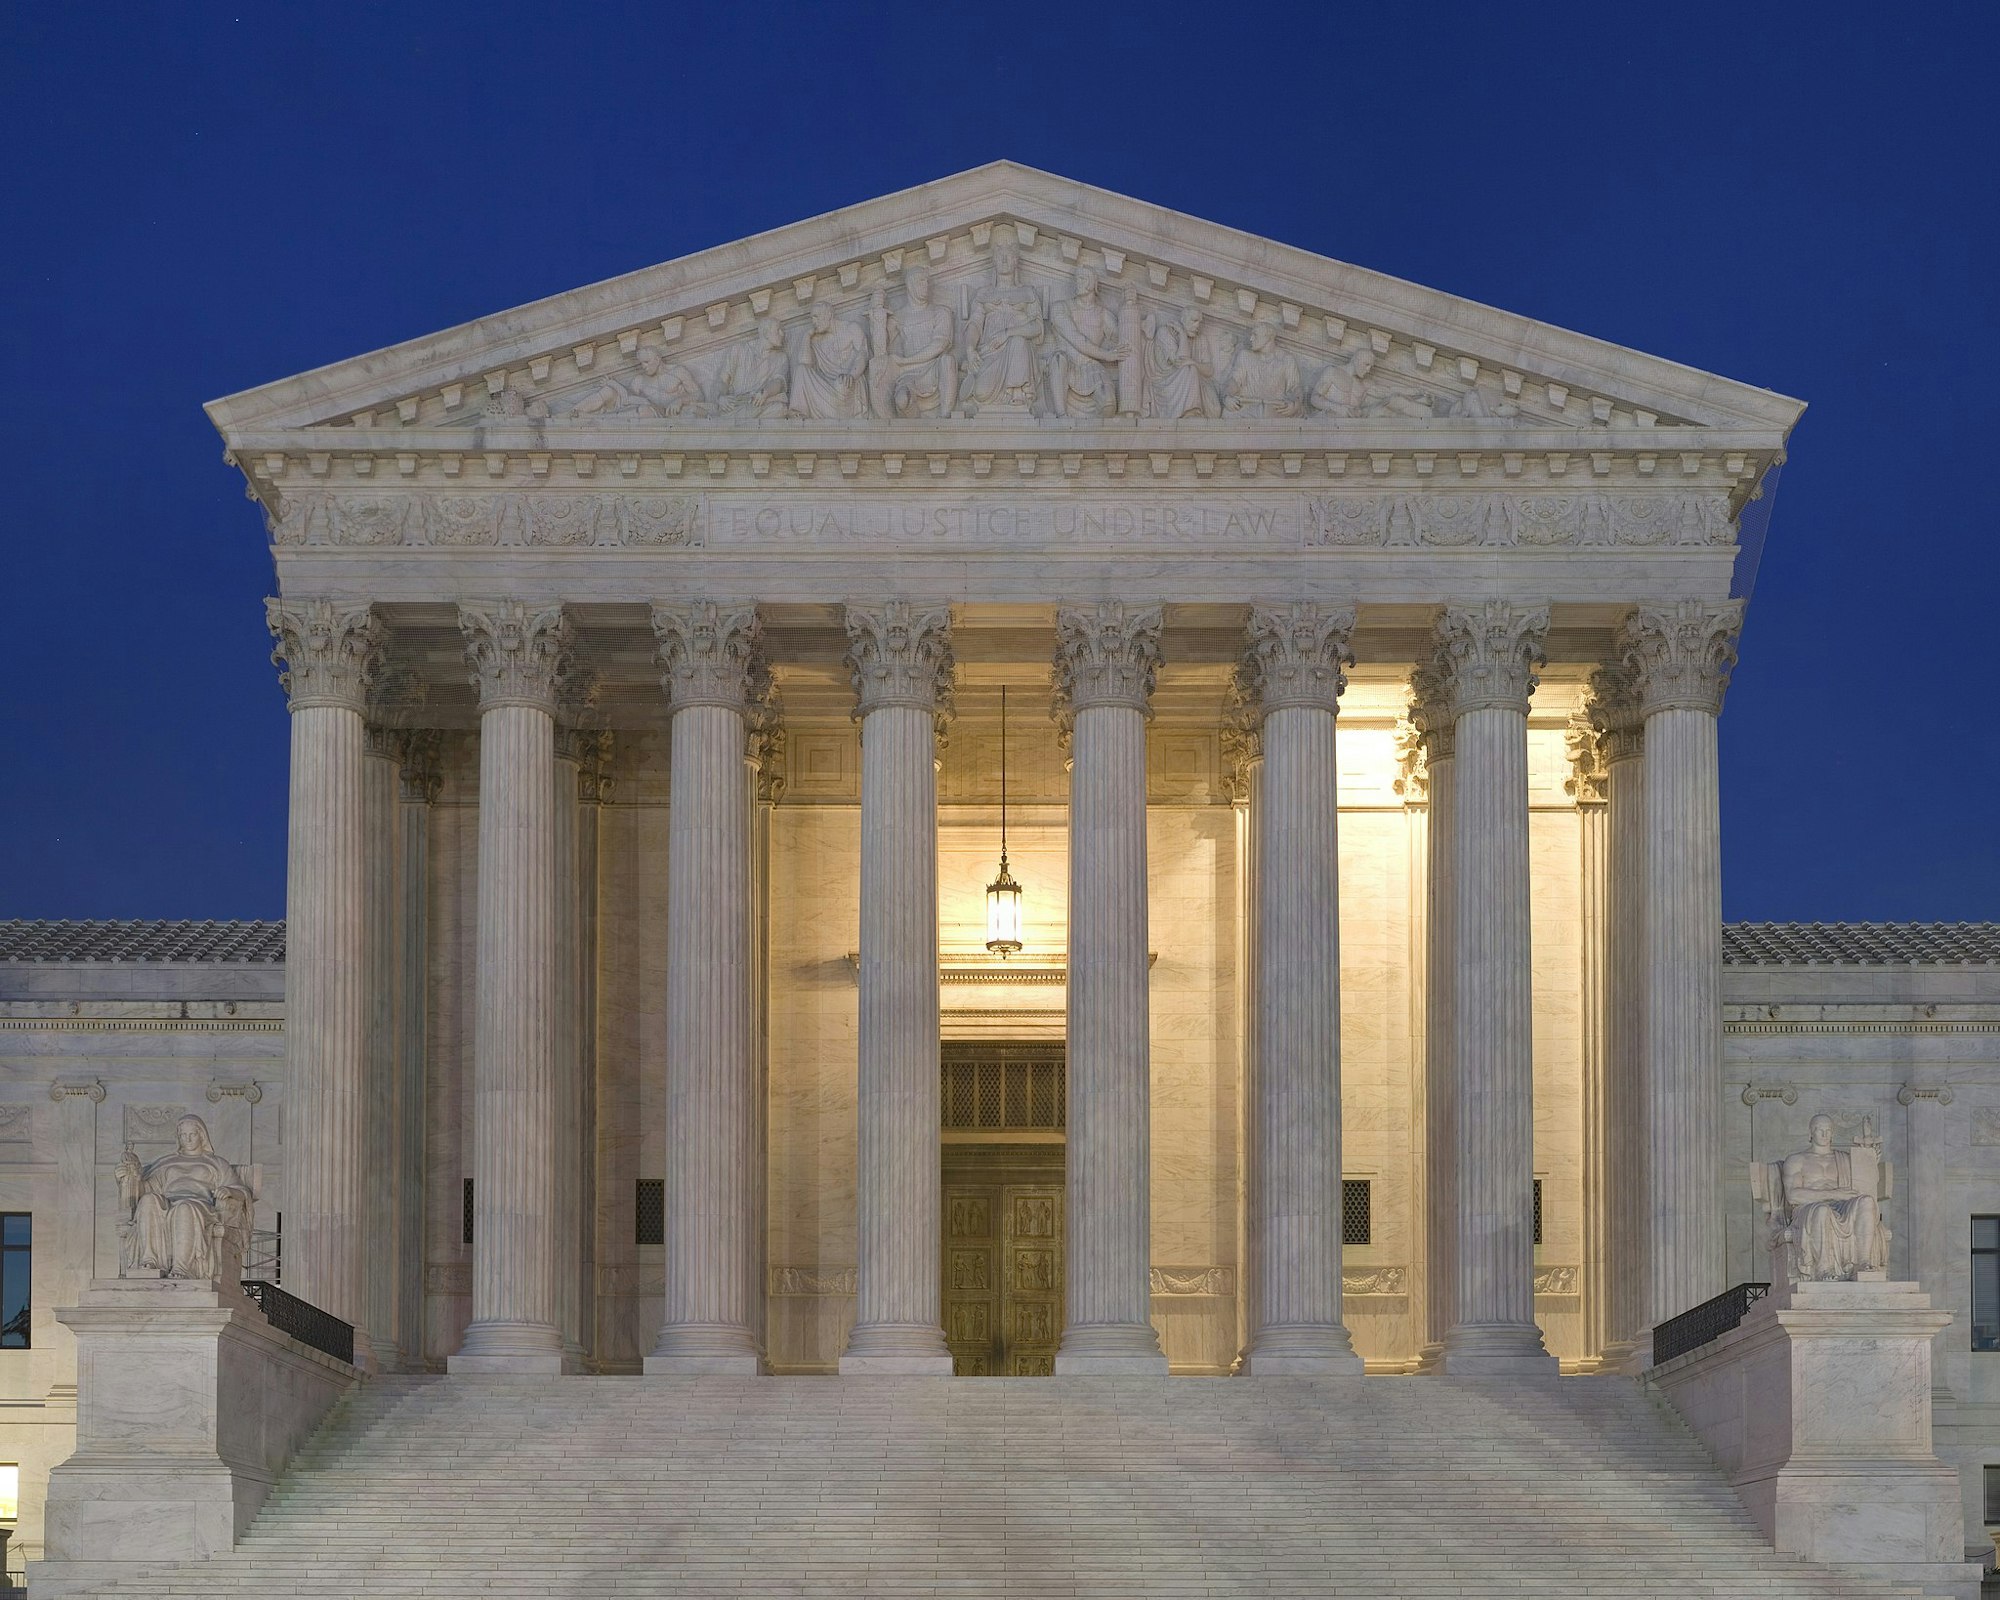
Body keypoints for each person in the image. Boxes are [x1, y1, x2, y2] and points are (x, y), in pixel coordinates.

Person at [118, 1115, 254, 1281]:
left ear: (201, 1135)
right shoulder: (165, 1162)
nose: (187, 1139)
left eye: (192, 1134)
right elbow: (144, 1190)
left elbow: (241, 1190)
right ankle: (149, 1261)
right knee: (148, 1201)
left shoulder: (216, 1163)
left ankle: (182, 1268)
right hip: (168, 1202)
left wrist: (229, 1191)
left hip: (200, 1206)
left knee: (184, 1208)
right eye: (183, 1135)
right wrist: (130, 1176)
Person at [1780, 1114, 1888, 1281]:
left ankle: (1863, 1263)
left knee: (1867, 1202)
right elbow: (1793, 1196)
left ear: (1832, 1133)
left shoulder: (1845, 1159)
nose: (1824, 1134)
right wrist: (1833, 1193)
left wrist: (1869, 1159)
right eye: (1819, 1130)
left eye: (1828, 1130)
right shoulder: (1796, 1160)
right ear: (1810, 1133)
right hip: (1808, 1209)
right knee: (1822, 1210)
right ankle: (1824, 1269)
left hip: (1842, 1205)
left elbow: (1866, 1183)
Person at [961, 231, 1045, 413]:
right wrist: (970, 349)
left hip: (1019, 353)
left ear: (1016, 261)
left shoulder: (1028, 293)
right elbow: (975, 325)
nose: (1004, 260)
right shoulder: (983, 294)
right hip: (990, 351)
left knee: (1018, 341)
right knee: (981, 393)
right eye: (1000, 256)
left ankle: (1018, 392)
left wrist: (1008, 333)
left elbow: (1037, 327)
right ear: (993, 261)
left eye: (1009, 256)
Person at [867, 266, 957, 418]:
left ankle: (946, 419)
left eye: (927, 282)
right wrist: (877, 313)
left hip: (934, 368)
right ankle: (914, 427)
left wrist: (905, 361)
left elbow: (940, 344)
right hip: (909, 374)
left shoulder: (941, 312)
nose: (926, 285)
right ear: (910, 285)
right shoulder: (898, 317)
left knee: (948, 361)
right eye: (921, 281)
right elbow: (881, 351)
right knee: (902, 400)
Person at [1045, 268, 1126, 418]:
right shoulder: (1060, 308)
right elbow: (1076, 339)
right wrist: (1107, 355)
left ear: (1093, 283)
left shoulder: (1103, 315)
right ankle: (1061, 417)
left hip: (1092, 368)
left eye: (1082, 278)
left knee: (1109, 405)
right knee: (1058, 358)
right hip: (1066, 367)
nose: (1077, 282)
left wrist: (1139, 324)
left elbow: (1124, 339)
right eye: (1077, 278)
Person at [789, 302, 870, 419]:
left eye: (816, 316)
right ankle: (798, 413)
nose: (813, 321)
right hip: (825, 386)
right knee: (800, 369)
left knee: (841, 385)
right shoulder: (816, 340)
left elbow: (863, 355)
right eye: (812, 318)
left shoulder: (851, 328)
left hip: (847, 384)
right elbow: (804, 362)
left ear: (829, 315)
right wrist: (807, 336)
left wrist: (852, 375)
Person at [1222, 315, 1304, 418]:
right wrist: (1227, 397)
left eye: (1255, 335)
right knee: (1227, 414)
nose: (1251, 339)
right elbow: (1234, 381)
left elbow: (1295, 388)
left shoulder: (1287, 360)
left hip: (1276, 410)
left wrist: (1295, 404)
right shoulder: (1245, 356)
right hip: (1247, 408)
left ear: (1268, 337)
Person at [713, 317, 791, 418]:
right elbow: (723, 380)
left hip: (761, 404)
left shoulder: (781, 358)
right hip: (738, 403)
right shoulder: (739, 349)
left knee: (780, 408)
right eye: (778, 330)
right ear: (766, 333)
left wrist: (765, 393)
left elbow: (779, 382)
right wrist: (720, 397)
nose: (782, 334)